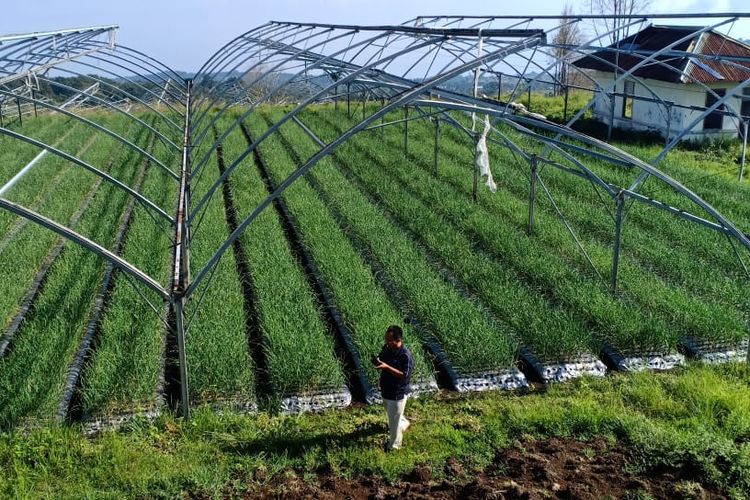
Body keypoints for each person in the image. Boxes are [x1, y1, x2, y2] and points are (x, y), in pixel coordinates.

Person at [374, 325, 413, 451]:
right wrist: (378, 361)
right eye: (386, 339)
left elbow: (404, 375)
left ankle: (394, 446)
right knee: (393, 415)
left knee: (393, 423)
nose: (387, 343)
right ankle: (404, 423)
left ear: (398, 340)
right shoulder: (387, 349)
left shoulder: (405, 355)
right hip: (386, 389)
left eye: (389, 340)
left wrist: (387, 367)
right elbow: (382, 359)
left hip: (397, 393)